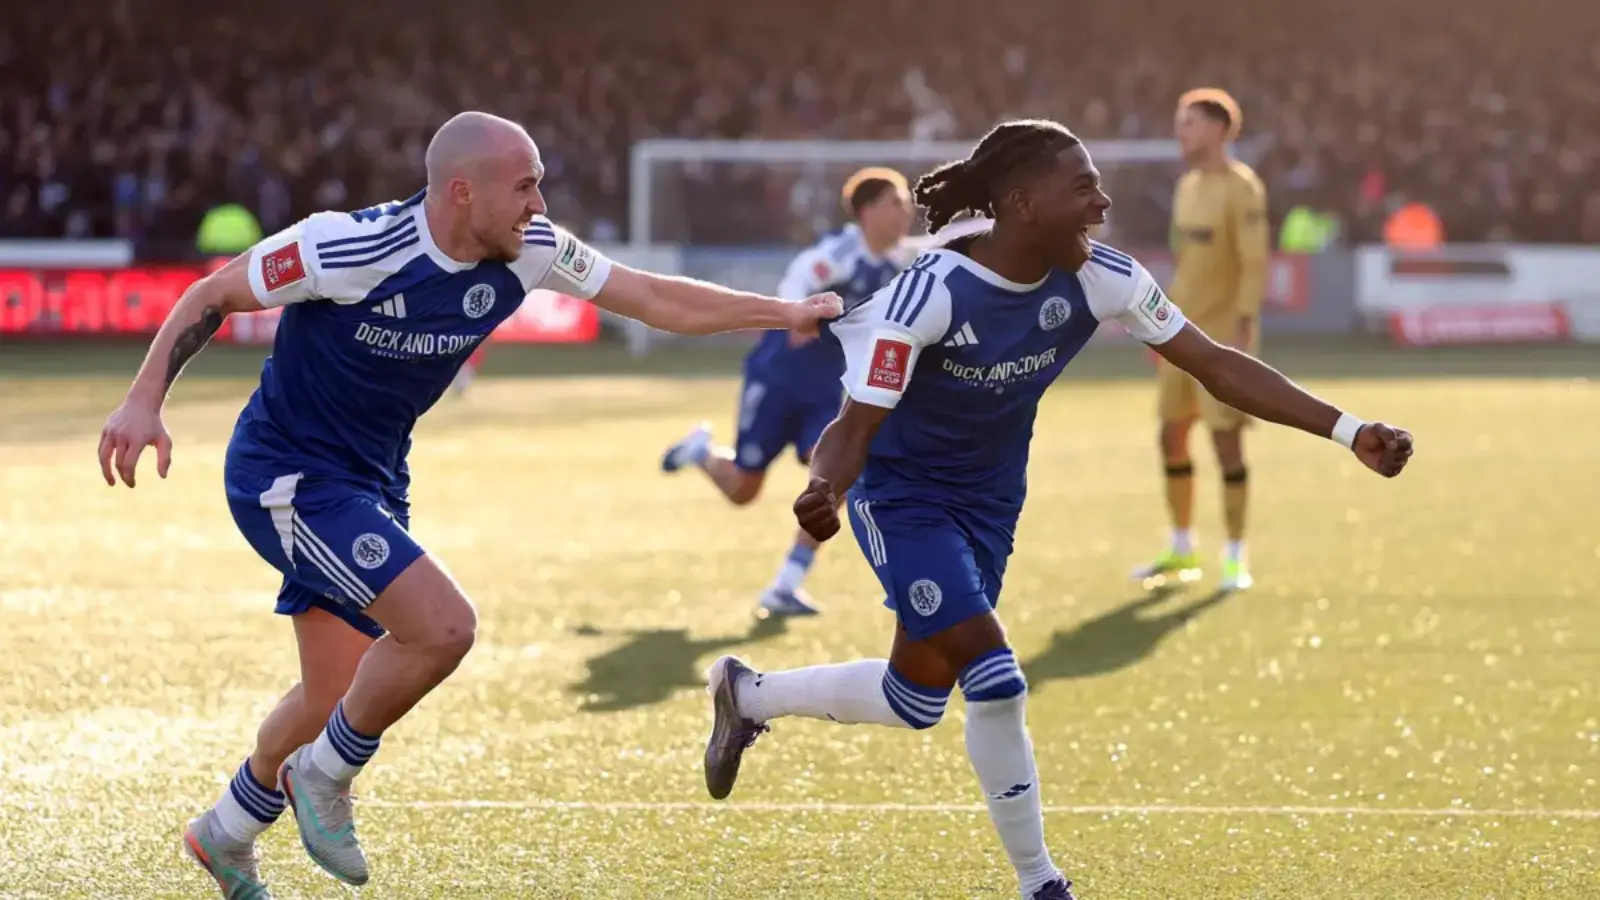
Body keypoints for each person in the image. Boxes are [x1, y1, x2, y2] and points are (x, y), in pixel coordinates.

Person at [95, 111, 842, 900]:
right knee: (444, 627)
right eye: (524, 186)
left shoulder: (531, 251)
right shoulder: (348, 247)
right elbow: (214, 292)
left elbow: (655, 297)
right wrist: (144, 400)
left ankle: (224, 834)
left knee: (331, 694)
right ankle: (323, 779)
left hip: (373, 480)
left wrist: (784, 312)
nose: (540, 203)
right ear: (462, 192)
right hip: (289, 477)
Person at [700, 119, 1413, 900]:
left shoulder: (1102, 277)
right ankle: (1043, 885)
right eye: (1082, 187)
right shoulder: (931, 292)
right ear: (1021, 203)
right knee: (995, 674)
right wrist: (826, 489)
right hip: (901, 494)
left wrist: (1349, 431)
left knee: (917, 699)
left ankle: (747, 694)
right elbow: (854, 424)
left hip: (991, 504)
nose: (1101, 203)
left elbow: (1213, 363)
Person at [660, 168, 915, 617]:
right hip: (778, 373)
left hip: (825, 387)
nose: (908, 210)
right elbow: (798, 280)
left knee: (834, 474)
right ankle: (701, 453)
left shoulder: (898, 264)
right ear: (869, 210)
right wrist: (797, 313)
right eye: (898, 201)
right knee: (743, 490)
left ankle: (785, 584)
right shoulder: (839, 253)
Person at [1134, 89, 1271, 591]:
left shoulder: (1244, 189)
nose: (1180, 132)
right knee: (1170, 435)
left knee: (1225, 442)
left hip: (1222, 341)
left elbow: (1255, 262)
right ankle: (1181, 548)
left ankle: (1235, 555)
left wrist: (1244, 325)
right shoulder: (1187, 186)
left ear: (1217, 129)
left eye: (1188, 123)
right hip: (1179, 334)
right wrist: (1158, 328)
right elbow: (1184, 263)